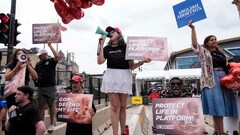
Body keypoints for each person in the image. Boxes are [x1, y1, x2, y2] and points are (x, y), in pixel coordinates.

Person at [97, 26, 151, 135]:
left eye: (112, 31)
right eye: (108, 32)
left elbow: (131, 66)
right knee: (115, 106)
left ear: (119, 33)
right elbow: (100, 61)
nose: (109, 33)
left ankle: (123, 132)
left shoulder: (126, 47)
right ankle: (115, 133)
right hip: (111, 76)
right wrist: (101, 44)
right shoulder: (106, 48)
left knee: (122, 106)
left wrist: (142, 62)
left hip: (124, 76)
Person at [188, 20, 238, 135]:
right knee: (217, 106)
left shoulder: (221, 54)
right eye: (212, 39)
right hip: (211, 80)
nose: (215, 41)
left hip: (224, 79)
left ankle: (217, 131)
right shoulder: (204, 52)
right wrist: (193, 28)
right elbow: (195, 44)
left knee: (225, 106)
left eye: (215, 39)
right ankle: (220, 132)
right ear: (207, 43)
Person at [35, 41, 60, 133]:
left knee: (51, 105)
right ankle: (41, 125)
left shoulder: (50, 61)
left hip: (50, 87)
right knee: (41, 106)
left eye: (40, 55)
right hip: (41, 88)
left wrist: (50, 46)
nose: (39, 56)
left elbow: (57, 56)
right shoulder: (38, 64)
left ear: (44, 54)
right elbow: (36, 74)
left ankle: (52, 124)